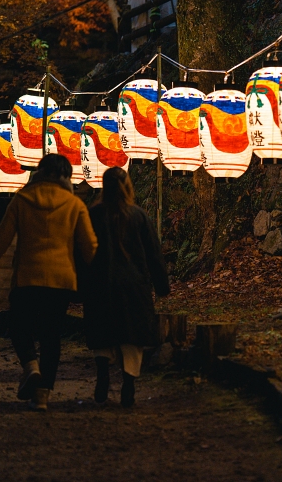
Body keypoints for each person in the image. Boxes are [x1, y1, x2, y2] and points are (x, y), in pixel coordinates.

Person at [0, 154, 97, 411]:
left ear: (40, 173)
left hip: (26, 279)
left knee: (19, 327)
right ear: (67, 177)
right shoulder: (75, 205)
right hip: (61, 280)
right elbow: (90, 248)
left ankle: (31, 366)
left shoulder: (21, 201)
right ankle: (41, 397)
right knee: (51, 336)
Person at [84, 167, 169, 407]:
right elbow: (154, 254)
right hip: (134, 286)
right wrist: (162, 285)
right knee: (132, 338)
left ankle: (102, 375)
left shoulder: (93, 214)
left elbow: (81, 250)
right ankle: (128, 385)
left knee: (103, 334)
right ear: (128, 186)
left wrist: (80, 284)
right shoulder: (138, 216)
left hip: (101, 284)